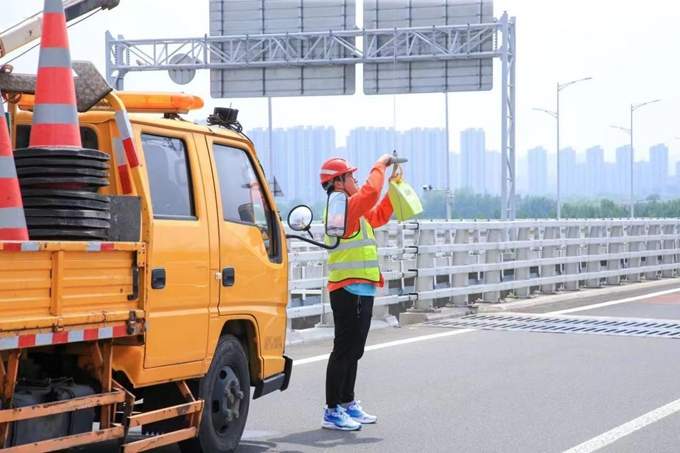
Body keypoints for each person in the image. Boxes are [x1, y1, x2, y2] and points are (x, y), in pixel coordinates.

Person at [319, 154, 395, 431]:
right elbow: (371, 191)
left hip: (363, 287)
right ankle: (331, 410)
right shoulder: (343, 210)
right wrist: (380, 165)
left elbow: (380, 213)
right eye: (351, 176)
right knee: (343, 350)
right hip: (347, 288)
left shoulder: (355, 210)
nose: (356, 180)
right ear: (338, 182)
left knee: (355, 350)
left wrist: (394, 186)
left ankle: (347, 402)